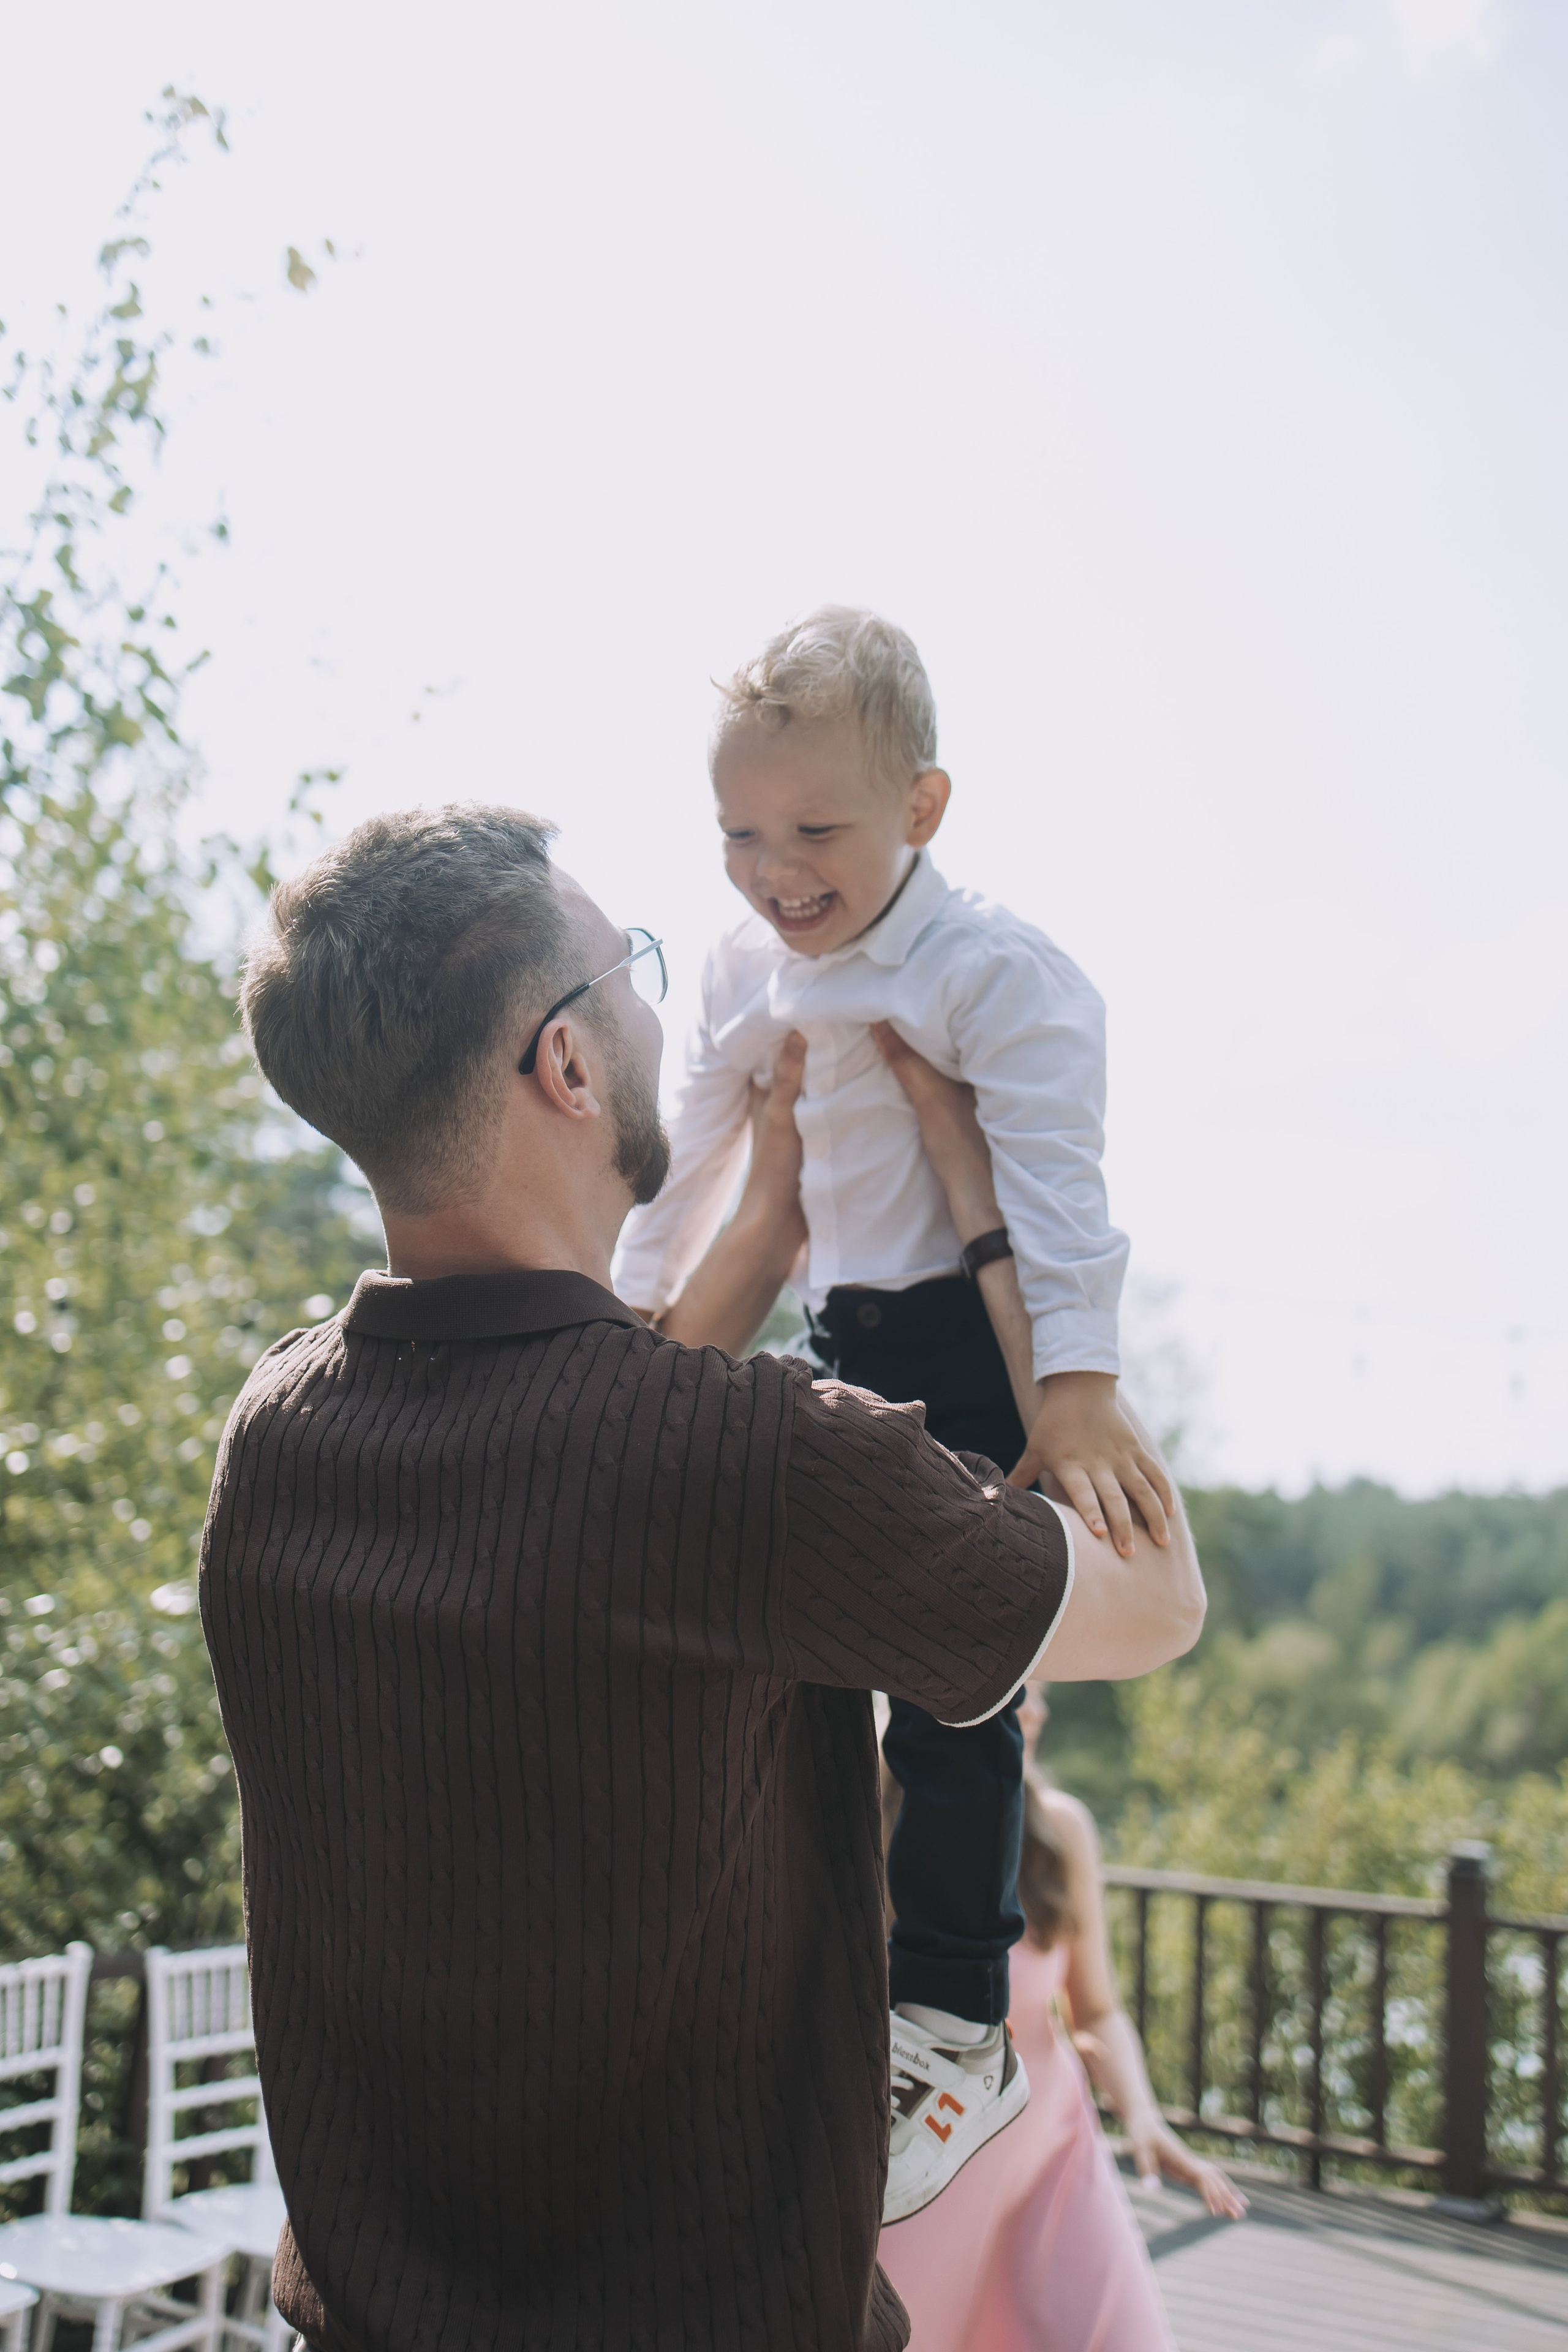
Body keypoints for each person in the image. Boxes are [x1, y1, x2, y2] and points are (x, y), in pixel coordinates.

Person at [200, 804, 1206, 2352]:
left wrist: (773, 1211)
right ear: (568, 1063)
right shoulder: (756, 1466)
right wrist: (988, 1212)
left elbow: (584, 1439)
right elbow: (1151, 1601)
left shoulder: (273, 1434)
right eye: (630, 969)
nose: (660, 1005)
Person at [617, 606, 1175, 2216]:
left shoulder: (990, 970)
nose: (774, 869)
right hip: (836, 1325)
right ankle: (800, 1966)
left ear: (923, 810)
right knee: (787, 1649)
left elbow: (1060, 1190)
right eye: (737, 831)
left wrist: (1074, 1390)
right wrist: (633, 1310)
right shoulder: (741, 965)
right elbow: (700, 1142)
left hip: (968, 1328)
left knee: (960, 1684)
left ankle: (952, 2008)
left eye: (816, 831)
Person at [878, 1687, 1246, 2352]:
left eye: (1043, 1693)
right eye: (1023, 1689)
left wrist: (1142, 2115)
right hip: (931, 2153)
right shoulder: (877, 1828)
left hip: (1050, 2148)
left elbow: (1096, 2010)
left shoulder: (1063, 1828)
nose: (1039, 1709)